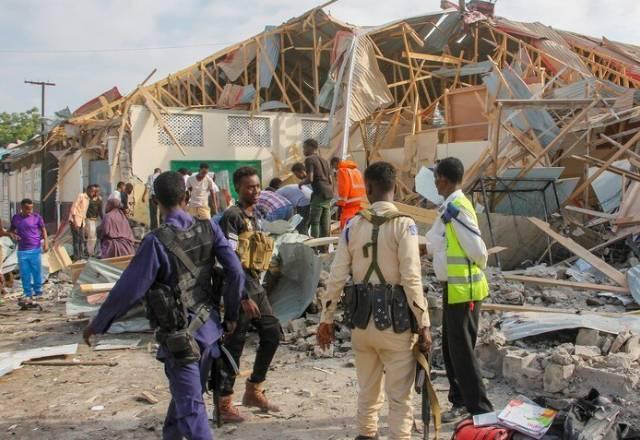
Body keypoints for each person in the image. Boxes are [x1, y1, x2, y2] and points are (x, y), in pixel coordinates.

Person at [83, 171, 245, 440]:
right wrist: (231, 317)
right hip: (210, 332)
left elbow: (128, 289)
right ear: (187, 196)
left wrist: (99, 323)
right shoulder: (209, 227)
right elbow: (236, 272)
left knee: (192, 409)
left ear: (155, 200)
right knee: (183, 402)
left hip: (180, 340)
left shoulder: (155, 242)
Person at [317, 161, 431, 440]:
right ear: (394, 187)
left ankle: (367, 435)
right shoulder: (405, 225)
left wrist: (325, 319)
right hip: (396, 325)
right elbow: (411, 278)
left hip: (361, 323)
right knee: (400, 398)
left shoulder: (353, 226)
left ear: (368, 187)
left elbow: (337, 276)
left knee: (367, 392)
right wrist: (424, 323)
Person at [425, 157, 493, 423]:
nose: (434, 183)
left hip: (465, 290)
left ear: (443, 178)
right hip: (455, 288)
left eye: (436, 178)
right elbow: (435, 241)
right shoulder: (449, 208)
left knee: (461, 351)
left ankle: (481, 409)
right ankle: (460, 400)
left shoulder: (456, 208)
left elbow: (479, 251)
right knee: (453, 350)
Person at [217, 166, 281, 423]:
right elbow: (228, 260)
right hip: (238, 287)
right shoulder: (231, 217)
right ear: (238, 189)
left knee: (272, 332)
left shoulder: (257, 216)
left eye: (257, 186)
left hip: (256, 284)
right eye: (249, 187)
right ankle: (223, 403)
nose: (255, 191)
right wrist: (241, 296)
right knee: (234, 344)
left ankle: (254, 389)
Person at [10, 199, 49, 306]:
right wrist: (14, 235)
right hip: (22, 251)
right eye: (27, 209)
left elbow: (44, 230)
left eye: (31, 208)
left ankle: (38, 291)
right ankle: (27, 293)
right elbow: (11, 231)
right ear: (21, 208)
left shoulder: (37, 217)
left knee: (37, 271)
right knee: (25, 273)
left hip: (35, 249)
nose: (29, 211)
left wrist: (46, 243)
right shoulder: (16, 218)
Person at [297, 139, 333, 238]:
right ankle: (324, 247)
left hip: (319, 193)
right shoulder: (325, 160)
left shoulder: (309, 159)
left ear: (310, 147)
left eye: (304, 147)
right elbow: (330, 179)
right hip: (329, 192)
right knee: (325, 221)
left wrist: (301, 183)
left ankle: (315, 247)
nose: (303, 150)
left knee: (315, 221)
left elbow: (310, 178)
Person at [331, 157, 366, 230]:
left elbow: (344, 187)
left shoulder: (342, 171)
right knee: (358, 226)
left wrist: (340, 203)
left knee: (345, 227)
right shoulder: (356, 170)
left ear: (335, 163)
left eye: (333, 167)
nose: (334, 169)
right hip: (360, 202)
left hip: (350, 204)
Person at [69, 185, 94, 260]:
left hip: (81, 221)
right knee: (76, 240)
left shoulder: (88, 199)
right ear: (88, 190)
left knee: (81, 239)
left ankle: (81, 255)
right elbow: (73, 208)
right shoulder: (81, 196)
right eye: (92, 191)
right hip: (75, 220)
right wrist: (75, 222)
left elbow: (83, 213)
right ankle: (77, 257)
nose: (93, 193)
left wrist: (84, 224)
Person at [288, 163, 313, 234]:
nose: (297, 176)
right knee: (304, 224)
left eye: (296, 174)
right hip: (305, 205)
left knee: (302, 224)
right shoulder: (305, 181)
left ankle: (304, 239)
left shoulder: (308, 181)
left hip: (306, 205)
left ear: (301, 171)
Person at [86, 185, 104, 257]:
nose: (96, 192)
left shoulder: (99, 200)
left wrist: (104, 220)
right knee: (92, 237)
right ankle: (90, 252)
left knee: (92, 237)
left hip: (94, 221)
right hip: (88, 220)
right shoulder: (88, 199)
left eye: (97, 191)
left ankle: (90, 251)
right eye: (95, 191)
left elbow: (100, 211)